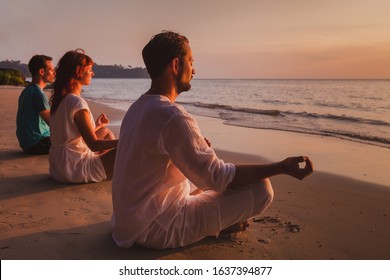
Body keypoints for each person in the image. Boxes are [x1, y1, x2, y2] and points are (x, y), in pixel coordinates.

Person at [111, 31, 314, 249]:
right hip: (154, 229)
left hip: (128, 221)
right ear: (176, 65)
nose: (194, 69)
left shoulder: (138, 107)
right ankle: (213, 228)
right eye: (191, 61)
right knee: (262, 189)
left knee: (205, 177)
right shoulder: (172, 116)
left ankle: (211, 222)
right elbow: (218, 178)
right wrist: (282, 167)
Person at [49, 49, 117, 183]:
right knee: (128, 147)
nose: (93, 73)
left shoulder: (61, 99)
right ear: (78, 71)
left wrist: (97, 126)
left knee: (105, 131)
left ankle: (106, 165)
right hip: (74, 169)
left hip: (59, 167)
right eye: (90, 69)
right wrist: (127, 140)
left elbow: (70, 136)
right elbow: (94, 144)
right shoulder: (76, 102)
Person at [16, 55, 55, 154]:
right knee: (75, 143)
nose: (54, 73)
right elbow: (53, 123)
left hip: (28, 142)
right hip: (36, 142)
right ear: (41, 72)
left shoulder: (28, 90)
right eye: (51, 70)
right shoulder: (37, 94)